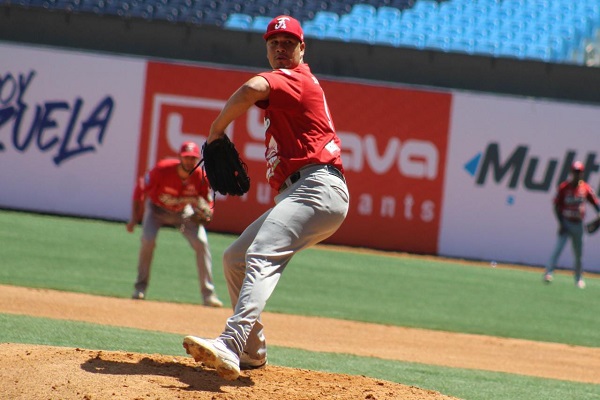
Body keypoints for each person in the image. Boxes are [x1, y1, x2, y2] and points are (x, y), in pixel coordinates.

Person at [182, 15, 350, 380]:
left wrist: (215, 130)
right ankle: (252, 352)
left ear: (303, 49)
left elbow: (248, 90)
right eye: (274, 43)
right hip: (305, 191)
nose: (280, 48)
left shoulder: (297, 79)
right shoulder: (284, 93)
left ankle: (231, 342)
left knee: (260, 253)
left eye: (289, 42)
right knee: (235, 258)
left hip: (317, 188)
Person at [126, 141, 223, 307]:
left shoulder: (199, 176)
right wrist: (135, 218)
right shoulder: (162, 170)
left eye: (193, 158)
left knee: (202, 243)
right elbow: (140, 188)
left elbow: (207, 202)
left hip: (183, 213)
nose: (190, 162)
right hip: (157, 211)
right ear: (180, 157)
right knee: (148, 240)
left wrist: (208, 214)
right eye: (186, 158)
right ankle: (140, 288)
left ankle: (208, 295)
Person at [543, 161, 600, 288]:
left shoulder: (585, 188)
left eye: (579, 172)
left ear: (582, 173)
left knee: (578, 254)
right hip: (566, 223)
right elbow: (556, 206)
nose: (577, 174)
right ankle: (549, 273)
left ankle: (578, 279)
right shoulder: (564, 187)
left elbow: (595, 203)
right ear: (571, 172)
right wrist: (561, 223)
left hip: (578, 225)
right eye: (575, 171)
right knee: (558, 249)